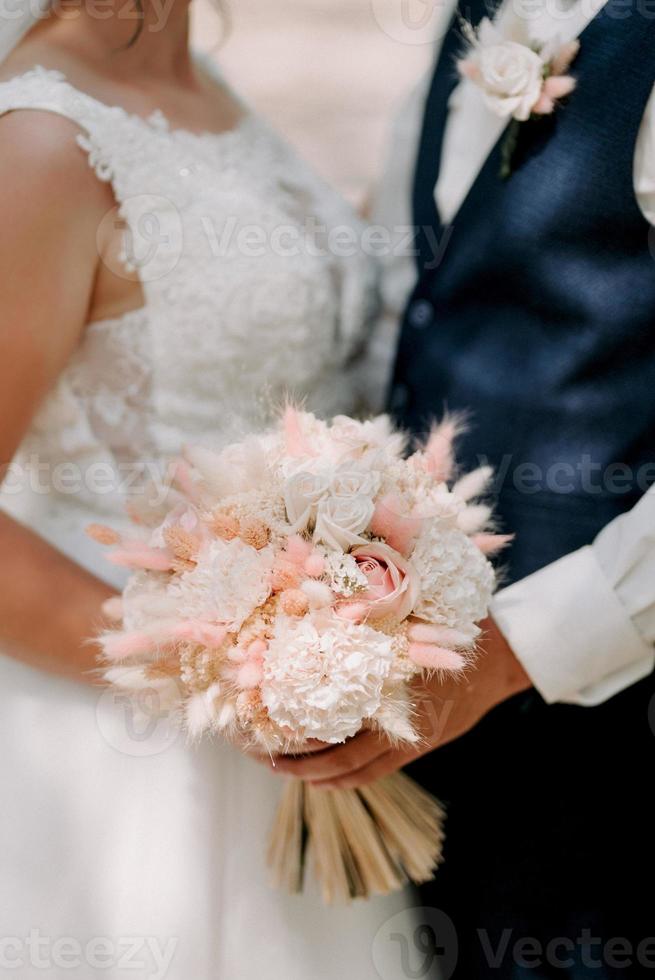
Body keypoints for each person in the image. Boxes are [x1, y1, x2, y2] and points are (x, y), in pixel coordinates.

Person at [0, 2, 418, 977]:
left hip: (286, 726)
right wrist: (236, 674)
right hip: (125, 755)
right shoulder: (43, 143)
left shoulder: (194, 77)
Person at [277, 1, 655, 976]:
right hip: (449, 744)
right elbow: (417, 300)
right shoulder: (469, 18)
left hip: (615, 746)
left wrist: (513, 651)